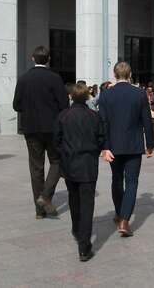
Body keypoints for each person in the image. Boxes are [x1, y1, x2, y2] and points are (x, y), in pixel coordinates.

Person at [98, 61, 154, 236]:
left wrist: (104, 146)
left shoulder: (106, 95)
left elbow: (103, 123)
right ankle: (124, 219)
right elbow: (147, 121)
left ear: (114, 75)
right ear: (130, 75)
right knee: (131, 182)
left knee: (116, 179)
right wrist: (150, 144)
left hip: (113, 145)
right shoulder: (139, 94)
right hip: (133, 144)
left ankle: (119, 212)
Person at [12, 46, 69, 219]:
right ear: (48, 59)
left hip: (31, 128)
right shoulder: (55, 78)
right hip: (52, 128)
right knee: (57, 161)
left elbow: (16, 105)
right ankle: (45, 195)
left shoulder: (24, 79)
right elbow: (64, 105)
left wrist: (30, 110)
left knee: (36, 167)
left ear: (32, 58)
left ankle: (40, 211)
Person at [53, 83, 104, 262]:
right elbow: (101, 139)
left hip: (70, 164)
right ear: (87, 97)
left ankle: (77, 230)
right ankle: (84, 245)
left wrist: (64, 153)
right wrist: (94, 152)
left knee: (74, 199)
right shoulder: (94, 116)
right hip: (88, 164)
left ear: (71, 97)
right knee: (87, 204)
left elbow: (56, 140)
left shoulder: (63, 116)